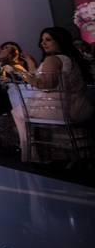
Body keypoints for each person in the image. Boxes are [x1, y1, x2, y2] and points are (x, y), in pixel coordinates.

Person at [9, 27, 94, 162]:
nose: (43, 43)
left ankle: (33, 156)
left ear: (60, 41)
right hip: (82, 107)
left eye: (48, 40)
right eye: (42, 40)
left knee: (17, 112)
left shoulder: (53, 59)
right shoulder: (71, 58)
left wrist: (20, 74)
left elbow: (46, 85)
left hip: (63, 110)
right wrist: (31, 64)